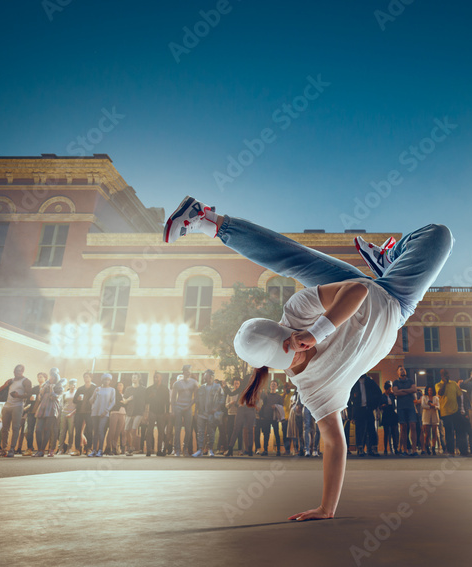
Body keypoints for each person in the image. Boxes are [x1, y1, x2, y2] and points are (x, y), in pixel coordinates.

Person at [164, 195, 453, 520]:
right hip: (396, 300)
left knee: (293, 259)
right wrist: (326, 508)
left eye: (290, 333)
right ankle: (389, 262)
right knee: (440, 235)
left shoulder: (297, 313)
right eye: (295, 342)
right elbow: (334, 444)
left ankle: (204, 219)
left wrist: (316, 330)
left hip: (358, 288)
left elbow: (356, 292)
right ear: (283, 354)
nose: (299, 340)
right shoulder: (314, 392)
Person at [349, 374, 383, 456]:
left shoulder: (370, 382)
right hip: (359, 409)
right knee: (359, 429)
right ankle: (360, 448)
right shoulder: (354, 382)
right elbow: (350, 396)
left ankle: (373, 448)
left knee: (371, 429)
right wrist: (352, 412)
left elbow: (379, 393)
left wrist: (374, 405)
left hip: (369, 408)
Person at [34, 368, 64, 457]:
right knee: (38, 430)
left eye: (52, 376)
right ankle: (39, 449)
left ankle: (42, 450)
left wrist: (51, 390)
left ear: (55, 378)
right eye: (50, 376)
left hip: (51, 409)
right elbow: (40, 397)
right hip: (42, 408)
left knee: (47, 430)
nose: (50, 378)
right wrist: (42, 391)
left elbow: (54, 397)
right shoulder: (45, 384)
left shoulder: (59, 387)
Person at [194, 370, 224, 457]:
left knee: (211, 432)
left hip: (211, 414)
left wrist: (216, 409)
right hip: (201, 413)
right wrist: (196, 412)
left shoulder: (218, 387)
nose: (205, 378)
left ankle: (210, 449)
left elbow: (222, 399)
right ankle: (200, 450)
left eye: (207, 376)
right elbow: (197, 401)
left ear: (211, 377)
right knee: (200, 432)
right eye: (205, 376)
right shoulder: (202, 387)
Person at [437, 370, 467, 456]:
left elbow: (459, 396)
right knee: (449, 432)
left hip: (455, 411)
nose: (446, 376)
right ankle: (451, 451)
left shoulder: (454, 384)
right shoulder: (438, 385)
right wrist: (444, 383)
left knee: (460, 430)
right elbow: (440, 393)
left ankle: (463, 451)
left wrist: (460, 408)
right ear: (441, 376)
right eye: (444, 375)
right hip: (446, 413)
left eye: (447, 374)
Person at [171, 369, 199, 456]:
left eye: (189, 372)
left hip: (188, 408)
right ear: (183, 373)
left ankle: (185, 448)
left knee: (188, 429)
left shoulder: (194, 383)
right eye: (186, 372)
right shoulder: (177, 383)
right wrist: (173, 410)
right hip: (178, 407)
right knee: (177, 429)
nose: (188, 373)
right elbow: (173, 398)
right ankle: (177, 449)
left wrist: (189, 406)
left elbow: (196, 397)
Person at [392, 366, 419, 456]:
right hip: (401, 407)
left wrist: (402, 390)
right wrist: (409, 391)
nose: (403, 370)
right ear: (397, 372)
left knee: (413, 426)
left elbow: (414, 389)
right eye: (401, 369)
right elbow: (395, 392)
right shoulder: (395, 382)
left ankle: (414, 450)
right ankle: (405, 450)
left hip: (410, 406)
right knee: (403, 428)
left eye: (404, 369)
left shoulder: (410, 380)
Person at [87, 374, 115, 457]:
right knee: (95, 431)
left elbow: (113, 402)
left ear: (110, 381)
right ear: (102, 380)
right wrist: (95, 393)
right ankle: (94, 450)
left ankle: (100, 450)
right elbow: (91, 401)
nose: (106, 381)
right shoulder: (97, 389)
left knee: (100, 430)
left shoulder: (112, 390)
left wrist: (106, 411)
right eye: (105, 380)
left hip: (104, 413)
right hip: (95, 412)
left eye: (108, 380)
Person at [18, 372, 45, 455]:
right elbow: (28, 400)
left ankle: (40, 450)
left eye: (41, 377)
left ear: (45, 378)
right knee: (29, 431)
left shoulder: (46, 388)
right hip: (32, 412)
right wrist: (30, 398)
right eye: (38, 377)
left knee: (39, 431)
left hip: (41, 413)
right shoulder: (35, 388)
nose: (39, 378)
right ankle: (29, 449)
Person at [144, 371, 171, 457]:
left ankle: (159, 450)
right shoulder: (149, 389)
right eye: (154, 377)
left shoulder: (165, 388)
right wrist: (150, 397)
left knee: (161, 432)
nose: (155, 379)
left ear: (161, 378)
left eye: (157, 377)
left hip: (161, 412)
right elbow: (145, 401)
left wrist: (167, 412)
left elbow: (167, 401)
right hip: (152, 411)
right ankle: (149, 450)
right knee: (149, 431)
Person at [72, 372, 95, 455]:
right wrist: (77, 399)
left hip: (89, 412)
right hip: (79, 412)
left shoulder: (94, 388)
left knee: (89, 430)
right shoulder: (80, 388)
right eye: (85, 377)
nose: (86, 378)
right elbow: (74, 400)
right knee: (78, 431)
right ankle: (77, 449)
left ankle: (89, 448)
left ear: (91, 378)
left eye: (88, 377)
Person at [123, 375, 147, 456]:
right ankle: (130, 446)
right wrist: (129, 399)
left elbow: (146, 402)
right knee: (126, 430)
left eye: (135, 377)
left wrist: (145, 413)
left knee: (133, 430)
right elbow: (124, 401)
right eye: (132, 377)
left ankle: (131, 448)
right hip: (129, 412)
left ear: (139, 378)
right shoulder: (128, 389)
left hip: (139, 412)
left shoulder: (143, 389)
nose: (133, 378)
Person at [58, 379, 78, 454]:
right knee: (62, 432)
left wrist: (72, 413)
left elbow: (78, 405)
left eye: (74, 384)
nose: (73, 385)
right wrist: (63, 411)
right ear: (69, 385)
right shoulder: (65, 393)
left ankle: (69, 448)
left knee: (71, 432)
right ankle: (60, 448)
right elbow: (62, 403)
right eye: (71, 384)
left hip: (72, 414)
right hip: (64, 413)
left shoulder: (77, 393)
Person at [106, 381, 126, 455]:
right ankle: (108, 448)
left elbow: (126, 404)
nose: (120, 386)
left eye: (121, 385)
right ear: (116, 386)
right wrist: (124, 402)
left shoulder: (124, 395)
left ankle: (114, 449)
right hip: (114, 412)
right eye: (119, 385)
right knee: (112, 431)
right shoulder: (113, 393)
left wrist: (125, 402)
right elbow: (115, 402)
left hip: (123, 413)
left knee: (118, 432)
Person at [380, 381, 399, 455]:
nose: (390, 390)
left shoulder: (392, 396)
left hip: (392, 412)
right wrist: (382, 406)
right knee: (386, 432)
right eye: (389, 389)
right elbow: (380, 404)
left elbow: (396, 401)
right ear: (386, 389)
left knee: (394, 432)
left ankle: (395, 448)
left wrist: (393, 393)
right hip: (386, 413)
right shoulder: (382, 396)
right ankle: (385, 448)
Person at [421, 385, 440, 455]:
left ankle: (433, 447)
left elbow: (438, 406)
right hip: (426, 416)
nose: (430, 392)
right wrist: (431, 406)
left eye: (431, 390)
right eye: (429, 390)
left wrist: (433, 406)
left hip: (434, 415)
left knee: (434, 432)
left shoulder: (436, 398)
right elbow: (423, 406)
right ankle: (427, 447)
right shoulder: (424, 397)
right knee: (427, 433)